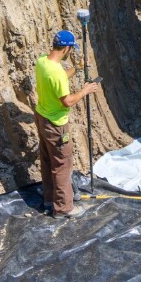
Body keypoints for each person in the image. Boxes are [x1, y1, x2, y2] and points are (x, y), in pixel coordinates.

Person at [34, 29, 99, 217]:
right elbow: (67, 100)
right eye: (71, 49)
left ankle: (49, 199)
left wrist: (77, 68)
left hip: (42, 117)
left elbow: (57, 80)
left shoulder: (42, 62)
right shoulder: (57, 73)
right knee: (62, 164)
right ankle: (63, 208)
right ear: (67, 48)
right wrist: (84, 90)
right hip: (56, 124)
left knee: (47, 160)